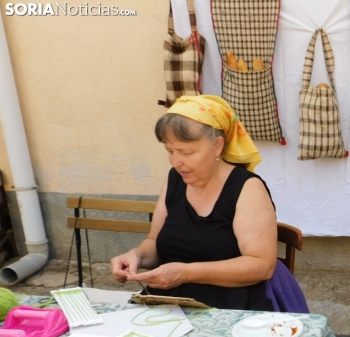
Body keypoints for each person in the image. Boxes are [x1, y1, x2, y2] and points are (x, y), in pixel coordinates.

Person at [111, 95, 300, 311]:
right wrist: (135, 256)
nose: (176, 161)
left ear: (218, 146)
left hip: (232, 307)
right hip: (171, 303)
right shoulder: (175, 179)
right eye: (170, 151)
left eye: (186, 152)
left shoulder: (247, 189)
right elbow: (155, 241)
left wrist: (186, 273)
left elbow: (261, 266)